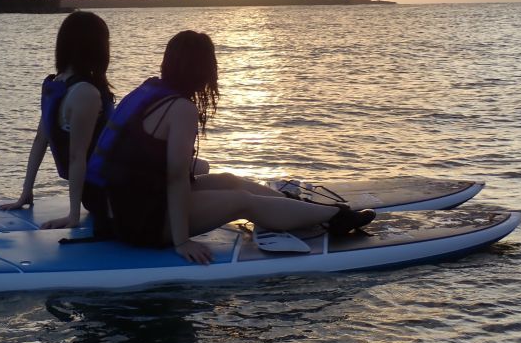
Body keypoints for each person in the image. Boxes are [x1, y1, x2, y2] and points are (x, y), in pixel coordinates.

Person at [86, 30, 375, 264]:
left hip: (117, 208)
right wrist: (181, 240)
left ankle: (303, 209)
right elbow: (175, 177)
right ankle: (335, 217)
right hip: (138, 221)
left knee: (230, 181)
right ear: (203, 69)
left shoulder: (148, 90)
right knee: (241, 201)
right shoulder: (180, 108)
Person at [0, 11, 114, 234]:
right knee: (197, 174)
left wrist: (26, 191)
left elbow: (40, 140)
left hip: (96, 191)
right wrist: (73, 215)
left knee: (198, 167)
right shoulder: (86, 93)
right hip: (104, 196)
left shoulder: (58, 85)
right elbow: (77, 156)